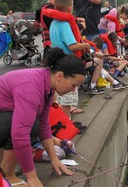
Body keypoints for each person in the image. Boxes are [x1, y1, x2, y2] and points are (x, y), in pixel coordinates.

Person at [0, 48, 85, 187]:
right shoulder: (32, 88)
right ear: (60, 76)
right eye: (74, 85)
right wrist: (32, 177)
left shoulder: (47, 85)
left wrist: (54, 158)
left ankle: (5, 172)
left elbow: (44, 124)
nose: (74, 89)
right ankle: (7, 176)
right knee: (28, 126)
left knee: (35, 124)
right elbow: (19, 135)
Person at [48, 0, 105, 118]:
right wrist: (86, 46)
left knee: (60, 100)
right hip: (69, 65)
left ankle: (63, 124)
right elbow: (72, 46)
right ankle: (67, 125)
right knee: (67, 101)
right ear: (70, 8)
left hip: (59, 63)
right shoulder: (64, 24)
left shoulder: (54, 23)